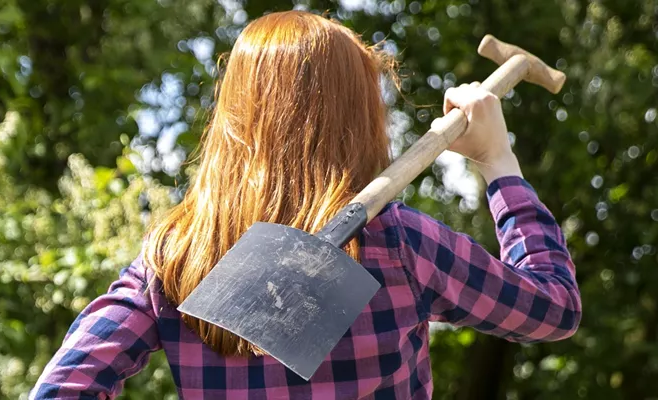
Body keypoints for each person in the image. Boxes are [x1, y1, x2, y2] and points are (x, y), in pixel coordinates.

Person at [31, 10, 581, 399]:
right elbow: (554, 309)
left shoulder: (175, 257)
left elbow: (62, 390)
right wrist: (498, 160)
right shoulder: (400, 245)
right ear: (358, 120)